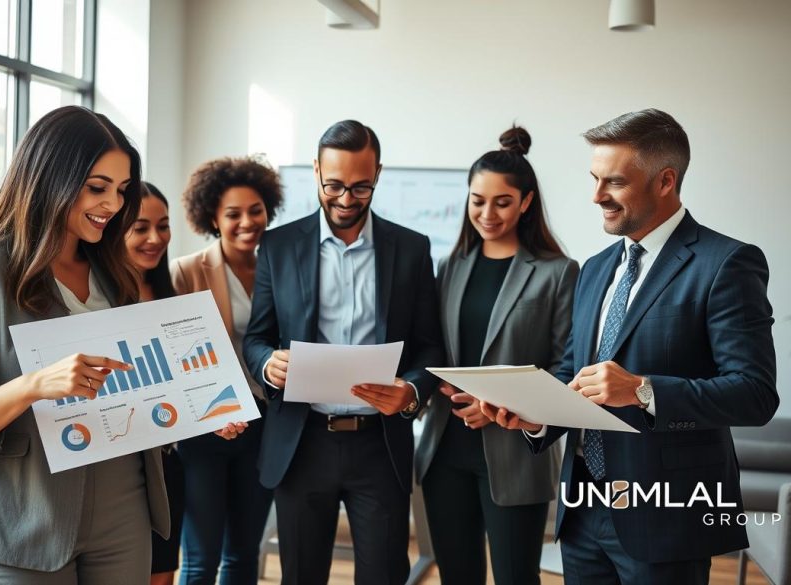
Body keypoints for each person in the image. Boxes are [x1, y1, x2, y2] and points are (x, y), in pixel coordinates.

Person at [481, 108, 778, 585]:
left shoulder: (727, 264)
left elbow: (755, 394)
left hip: (667, 516)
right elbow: (572, 372)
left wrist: (643, 390)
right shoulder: (596, 268)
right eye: (594, 178)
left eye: (614, 182)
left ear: (665, 181)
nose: (596, 196)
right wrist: (537, 417)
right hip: (583, 510)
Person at [0, 105, 171, 584]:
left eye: (121, 190)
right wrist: (34, 385)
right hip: (23, 514)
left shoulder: (116, 275)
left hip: (124, 506)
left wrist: (204, 410)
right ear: (49, 178)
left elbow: (136, 388)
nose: (113, 205)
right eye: (97, 187)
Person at [242, 120, 444, 585]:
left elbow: (430, 344)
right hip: (302, 440)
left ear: (378, 174)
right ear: (315, 172)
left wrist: (411, 391)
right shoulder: (278, 245)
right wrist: (266, 365)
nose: (346, 200)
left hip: (380, 444)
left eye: (360, 187)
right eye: (333, 185)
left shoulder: (412, 249)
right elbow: (256, 338)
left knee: (383, 577)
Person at [412, 124, 578, 585]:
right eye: (477, 200)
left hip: (515, 455)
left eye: (502, 202)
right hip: (445, 450)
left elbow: (566, 367)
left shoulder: (557, 272)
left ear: (526, 202)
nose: (487, 213)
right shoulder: (450, 265)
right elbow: (435, 349)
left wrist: (505, 405)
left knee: (515, 579)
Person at [169, 156, 283, 585]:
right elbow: (172, 357)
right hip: (206, 428)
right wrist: (208, 412)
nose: (247, 222)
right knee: (200, 559)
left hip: (266, 425)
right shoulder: (185, 272)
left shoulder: (282, 268)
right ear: (212, 217)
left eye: (255, 210)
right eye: (233, 213)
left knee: (242, 555)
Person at [125, 181, 187, 585]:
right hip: (120, 465)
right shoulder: (97, 298)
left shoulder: (173, 296)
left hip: (166, 459)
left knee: (163, 573)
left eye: (163, 226)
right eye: (141, 227)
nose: (155, 238)